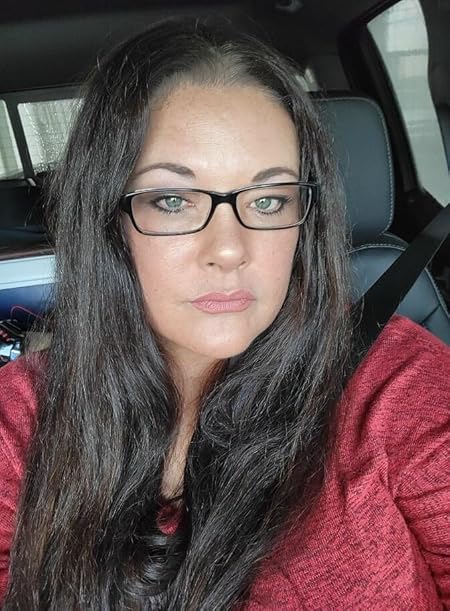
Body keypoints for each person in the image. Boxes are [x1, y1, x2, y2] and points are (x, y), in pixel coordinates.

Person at [0, 16, 449, 610]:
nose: (231, 249)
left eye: (268, 200)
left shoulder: (394, 383)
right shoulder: (21, 423)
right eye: (172, 200)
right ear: (107, 219)